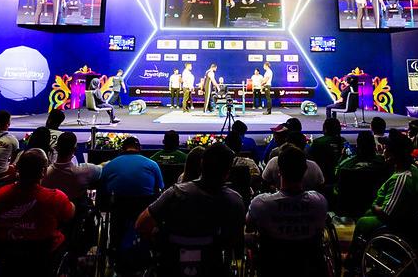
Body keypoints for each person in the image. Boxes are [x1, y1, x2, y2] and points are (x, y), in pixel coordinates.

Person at [135, 143, 245, 269]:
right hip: (212, 264)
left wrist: (159, 243)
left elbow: (141, 224)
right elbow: (236, 242)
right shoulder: (235, 201)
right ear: (228, 172)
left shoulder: (175, 193)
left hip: (172, 263)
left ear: (202, 164)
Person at [247, 145, 328, 276]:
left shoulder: (261, 203)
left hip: (273, 264)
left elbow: (249, 227)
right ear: (305, 169)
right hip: (309, 264)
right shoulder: (319, 201)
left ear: (279, 170)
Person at [349, 130, 418, 257]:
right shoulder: (412, 169)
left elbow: (387, 213)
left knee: (363, 222)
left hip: (401, 224)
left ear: (394, 154)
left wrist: (374, 207)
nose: (382, 151)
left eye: (386, 148)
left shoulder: (401, 178)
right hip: (409, 217)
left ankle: (354, 261)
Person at [0, 149, 75, 252]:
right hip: (46, 257)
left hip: (8, 256)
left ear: (18, 169)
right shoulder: (55, 197)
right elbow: (70, 214)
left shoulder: (1, 194)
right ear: (43, 171)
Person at [42, 132, 101, 202]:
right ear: (75, 150)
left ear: (56, 148)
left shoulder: (45, 174)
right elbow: (103, 168)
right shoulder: (86, 170)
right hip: (77, 211)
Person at [307, 118, 346, 186]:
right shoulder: (344, 142)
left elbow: (311, 161)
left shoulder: (318, 142)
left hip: (323, 180)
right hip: (340, 180)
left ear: (325, 128)